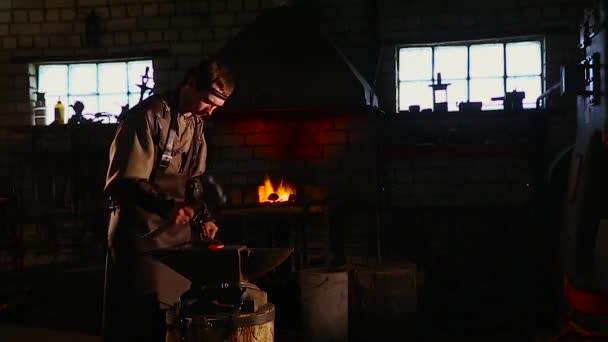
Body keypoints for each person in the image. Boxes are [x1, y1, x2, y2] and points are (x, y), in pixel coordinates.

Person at [101, 57, 235, 342]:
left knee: (173, 320)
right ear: (190, 84)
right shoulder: (145, 117)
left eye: (215, 107)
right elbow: (125, 183)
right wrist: (166, 207)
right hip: (139, 234)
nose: (210, 112)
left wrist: (202, 217)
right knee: (139, 320)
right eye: (207, 102)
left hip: (176, 239)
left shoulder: (195, 125)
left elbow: (193, 181)